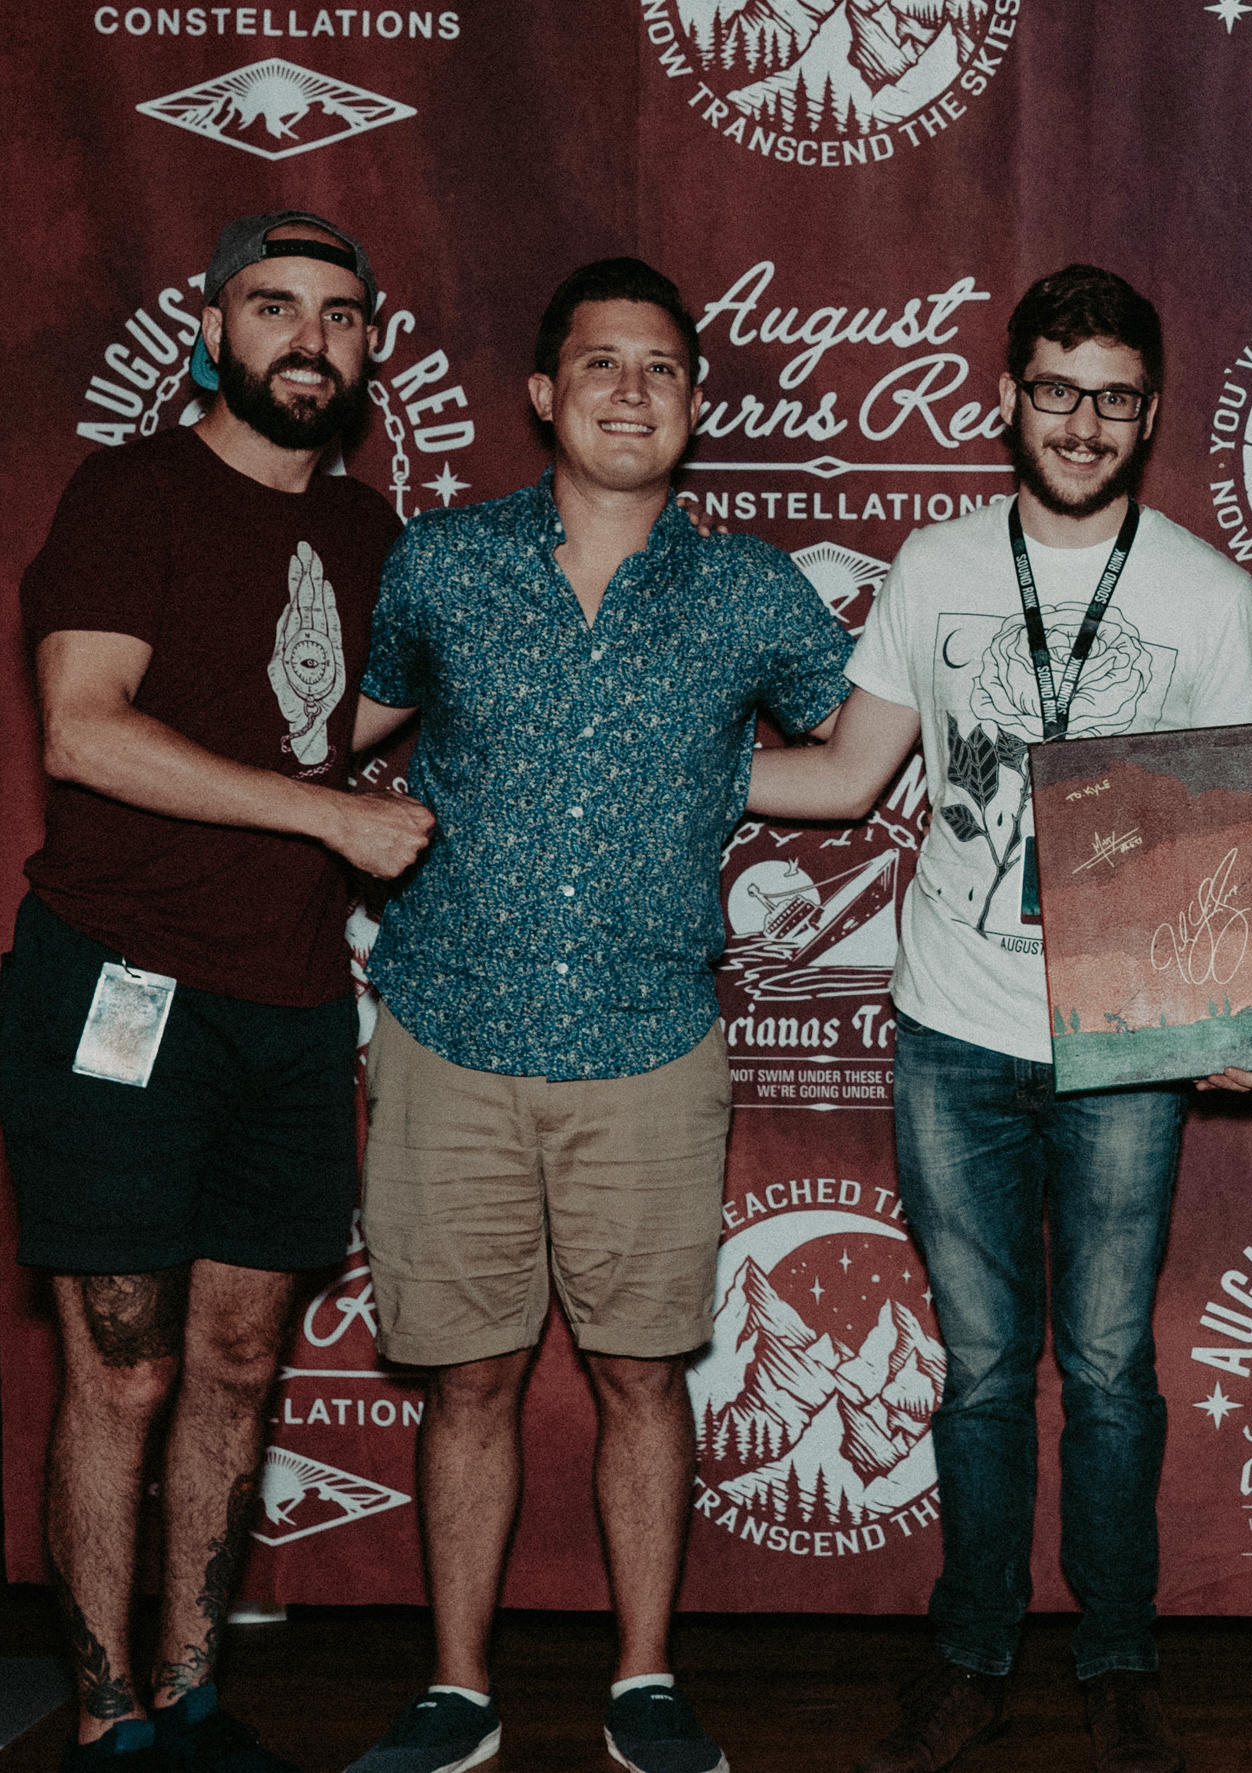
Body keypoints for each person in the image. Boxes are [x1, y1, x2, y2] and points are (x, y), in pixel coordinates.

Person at [741, 263, 1252, 1773]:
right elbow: (847, 778)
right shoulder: (936, 564)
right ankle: (971, 1649)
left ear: (1152, 414)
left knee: (1107, 1366)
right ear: (1008, 398)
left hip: (1122, 1036)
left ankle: (1116, 1655)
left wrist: (1237, 1010)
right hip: (955, 1028)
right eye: (1056, 390)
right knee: (980, 1370)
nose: (1084, 421)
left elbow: (1229, 840)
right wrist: (669, 781)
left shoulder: (1206, 594)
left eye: (1113, 397)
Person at [338, 257, 853, 1773]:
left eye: (665, 368)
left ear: (694, 404)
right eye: (604, 363)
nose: (635, 389)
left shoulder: (753, 586)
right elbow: (329, 728)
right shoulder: (438, 562)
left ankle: (642, 1682)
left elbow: (860, 750)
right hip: (446, 1031)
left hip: (646, 1045)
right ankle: (456, 1688)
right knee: (471, 1378)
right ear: (544, 394)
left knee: (642, 1374)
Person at [1, 210, 435, 1772]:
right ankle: (108, 1718)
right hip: (117, 992)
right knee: (125, 1363)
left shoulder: (377, 535)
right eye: (275, 307)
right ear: (214, 326)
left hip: (295, 1005)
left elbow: (366, 713)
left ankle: (189, 1689)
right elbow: (82, 727)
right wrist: (327, 810)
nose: (306, 338)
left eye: (336, 313)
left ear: (369, 346)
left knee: (246, 1359)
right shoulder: (132, 494)